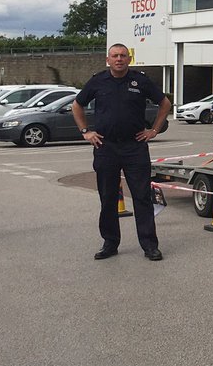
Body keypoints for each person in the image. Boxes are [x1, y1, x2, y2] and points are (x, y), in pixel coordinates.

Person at [73, 44, 171, 261]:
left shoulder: (140, 80)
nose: (119, 59)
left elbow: (165, 103)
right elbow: (77, 105)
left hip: (134, 147)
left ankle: (149, 245)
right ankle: (110, 243)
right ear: (108, 59)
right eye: (115, 56)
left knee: (141, 197)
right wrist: (85, 131)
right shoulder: (98, 81)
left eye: (123, 56)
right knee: (107, 197)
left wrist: (154, 130)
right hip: (106, 146)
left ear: (129, 59)